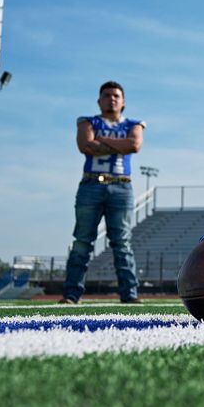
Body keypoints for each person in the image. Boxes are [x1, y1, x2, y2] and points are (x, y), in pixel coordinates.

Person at [60, 81, 145, 304]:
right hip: (91, 185)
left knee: (122, 242)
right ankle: (71, 294)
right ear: (99, 101)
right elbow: (85, 145)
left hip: (122, 186)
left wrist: (102, 140)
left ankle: (129, 294)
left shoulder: (135, 124)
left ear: (123, 102)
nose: (111, 99)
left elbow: (134, 145)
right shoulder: (87, 121)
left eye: (116, 96)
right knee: (82, 241)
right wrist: (119, 144)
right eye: (106, 95)